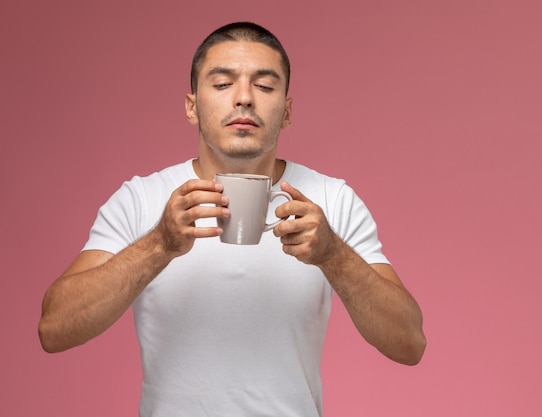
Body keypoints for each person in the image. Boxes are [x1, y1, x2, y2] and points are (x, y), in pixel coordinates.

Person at [38, 21, 426, 416]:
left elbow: (409, 342)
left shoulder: (332, 200)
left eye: (265, 86)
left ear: (287, 111)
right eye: (222, 84)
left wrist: (333, 255)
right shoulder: (141, 198)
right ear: (192, 106)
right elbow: (54, 329)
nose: (244, 98)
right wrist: (158, 244)